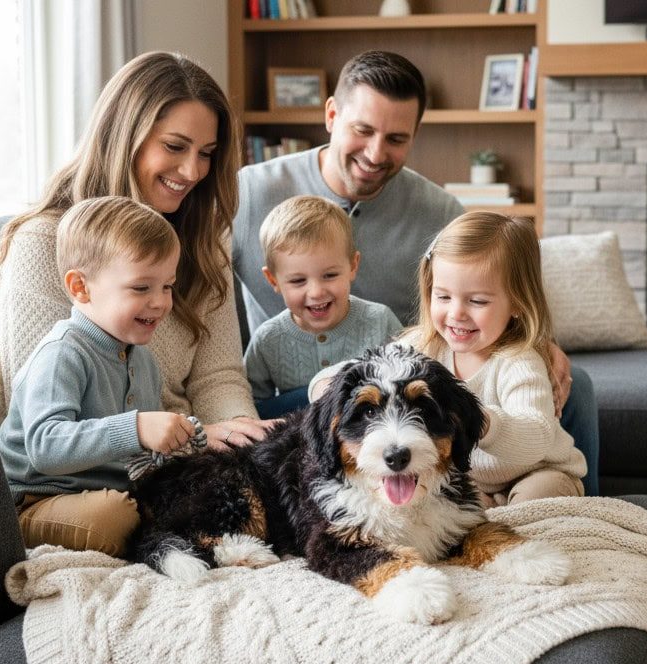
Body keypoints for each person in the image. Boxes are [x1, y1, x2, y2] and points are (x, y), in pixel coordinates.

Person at [231, 49, 601, 494]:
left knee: (572, 383)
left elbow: (496, 283)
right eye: (363, 130)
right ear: (331, 115)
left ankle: (583, 508)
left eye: (395, 139)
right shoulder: (247, 192)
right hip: (297, 394)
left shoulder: (439, 211)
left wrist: (540, 343)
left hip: (405, 387)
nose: (375, 153)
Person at [0, 50, 271, 452]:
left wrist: (243, 436)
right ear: (124, 137)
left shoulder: (203, 239)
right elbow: (43, 417)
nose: (193, 172)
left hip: (188, 456)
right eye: (174, 146)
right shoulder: (43, 243)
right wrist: (196, 440)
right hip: (107, 470)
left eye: (206, 153)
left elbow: (217, 377)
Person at [0, 197, 203, 555]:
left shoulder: (145, 362)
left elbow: (139, 460)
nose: (160, 302)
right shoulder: (62, 353)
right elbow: (45, 446)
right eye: (141, 288)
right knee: (115, 517)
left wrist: (177, 445)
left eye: (167, 286)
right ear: (80, 287)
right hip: (35, 501)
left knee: (196, 492)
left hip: (105, 494)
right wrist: (136, 428)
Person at [406, 211, 585, 505]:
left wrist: (482, 421)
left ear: (517, 303)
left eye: (477, 301)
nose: (456, 313)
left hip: (537, 472)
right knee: (442, 501)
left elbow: (536, 437)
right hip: (469, 481)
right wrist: (331, 383)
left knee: (538, 497)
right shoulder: (421, 347)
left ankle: (511, 517)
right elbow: (360, 371)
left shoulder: (518, 361)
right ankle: (492, 516)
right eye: (443, 297)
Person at [244, 195, 402, 418]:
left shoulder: (380, 321)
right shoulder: (267, 339)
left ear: (353, 266)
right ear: (273, 280)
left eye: (330, 275)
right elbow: (253, 408)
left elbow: (407, 384)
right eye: (298, 281)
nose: (316, 292)